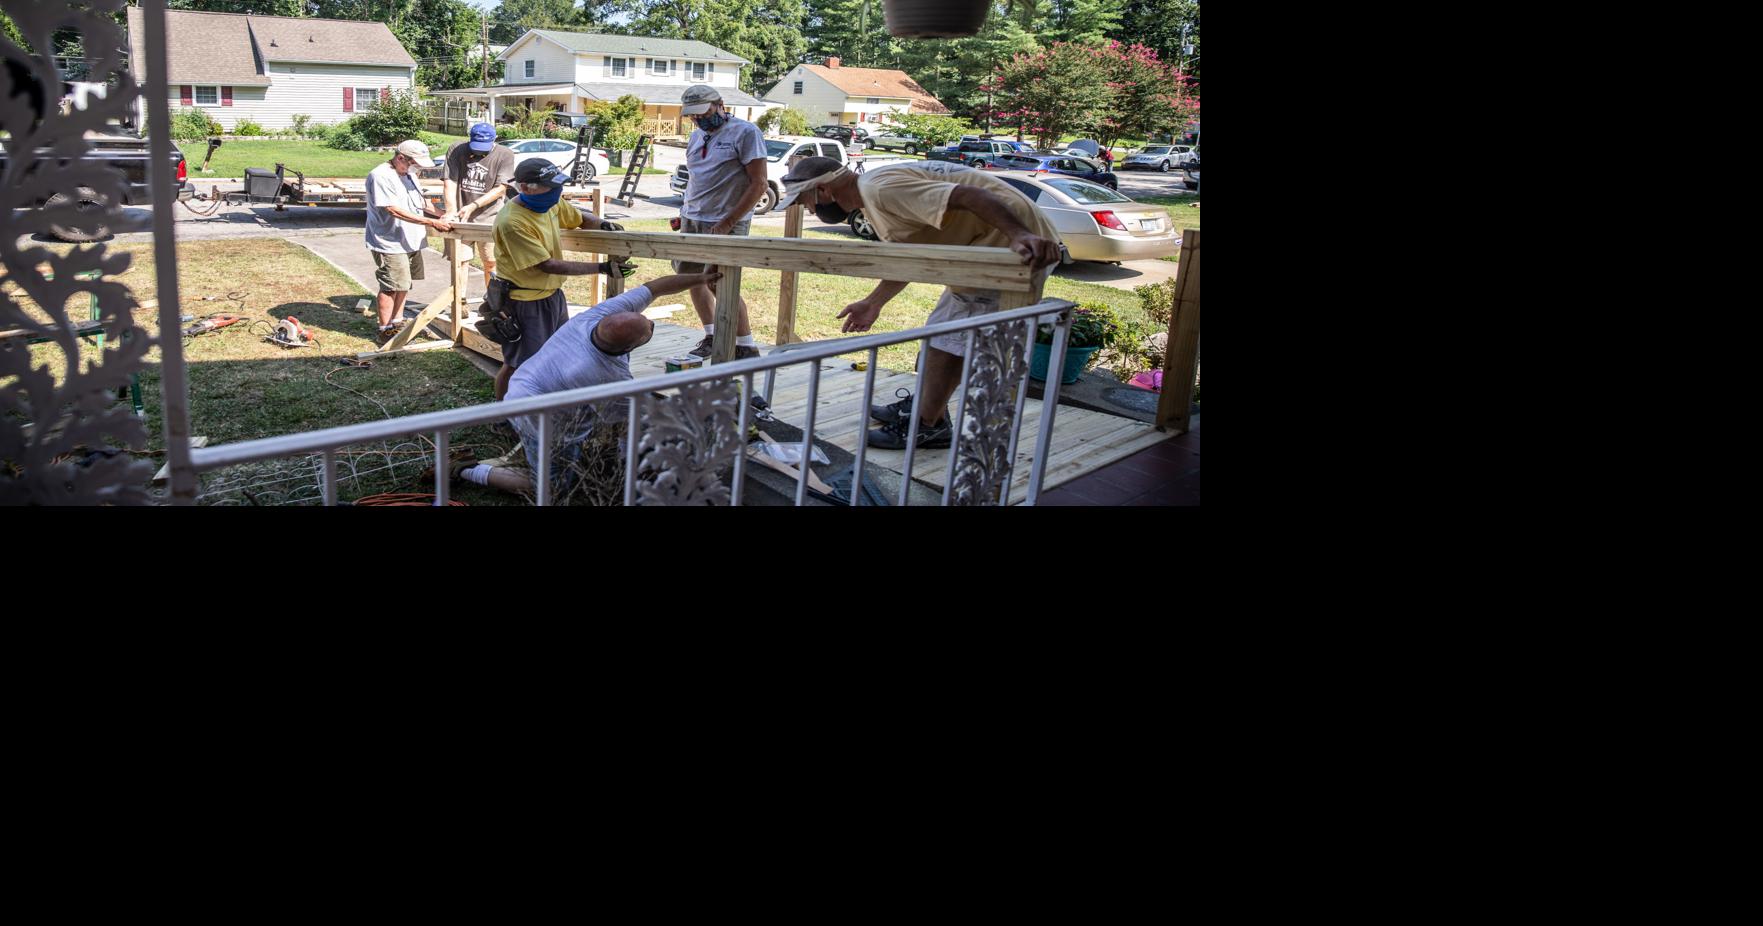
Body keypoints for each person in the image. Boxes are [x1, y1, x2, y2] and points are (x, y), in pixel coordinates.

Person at [774, 157, 1063, 449]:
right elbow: (912, 256)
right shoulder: (874, 193)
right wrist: (873, 302)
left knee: (944, 345)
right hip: (990, 247)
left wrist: (1021, 235)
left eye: (805, 202)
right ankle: (928, 409)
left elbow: (972, 195)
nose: (809, 209)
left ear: (824, 191)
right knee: (942, 339)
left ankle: (927, 424)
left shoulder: (880, 190)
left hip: (1010, 253)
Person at [445, 271, 724, 499]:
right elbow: (634, 421)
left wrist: (702, 277)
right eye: (649, 329)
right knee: (552, 490)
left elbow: (656, 287)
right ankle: (467, 469)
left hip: (526, 384)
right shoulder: (605, 377)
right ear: (631, 346)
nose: (651, 325)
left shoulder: (594, 318)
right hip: (535, 415)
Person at [488, 157, 632, 401]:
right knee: (520, 363)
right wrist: (602, 267)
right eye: (551, 187)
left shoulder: (548, 203)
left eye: (558, 187)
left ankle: (546, 402)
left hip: (552, 296)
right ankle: (504, 415)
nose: (557, 193)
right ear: (524, 187)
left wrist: (604, 225)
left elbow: (579, 218)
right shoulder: (513, 222)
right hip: (524, 301)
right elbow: (548, 265)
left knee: (560, 351)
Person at [675, 83, 765, 360]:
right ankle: (712, 335)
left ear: (720, 104)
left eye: (702, 113)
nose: (698, 119)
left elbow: (759, 183)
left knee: (721, 281)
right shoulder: (696, 136)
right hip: (693, 216)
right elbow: (697, 179)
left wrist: (728, 221)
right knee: (692, 277)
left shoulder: (745, 132)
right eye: (692, 115)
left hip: (725, 220)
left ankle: (745, 345)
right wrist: (684, 212)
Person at [365, 139, 452, 344]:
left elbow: (420, 202)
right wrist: (430, 222)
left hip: (410, 239)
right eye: (415, 163)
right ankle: (385, 329)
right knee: (391, 285)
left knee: (404, 283)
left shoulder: (409, 174)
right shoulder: (381, 176)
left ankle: (398, 322)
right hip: (389, 240)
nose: (418, 167)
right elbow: (393, 210)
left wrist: (444, 215)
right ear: (400, 157)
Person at [441, 122, 516, 293]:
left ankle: (492, 303)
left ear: (495, 139)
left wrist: (473, 205)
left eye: (484, 147)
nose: (479, 152)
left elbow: (501, 188)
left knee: (491, 262)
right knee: (460, 262)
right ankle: (460, 303)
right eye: (476, 147)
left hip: (490, 218)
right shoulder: (457, 149)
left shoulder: (505, 154)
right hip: (461, 218)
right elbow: (449, 181)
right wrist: (451, 211)